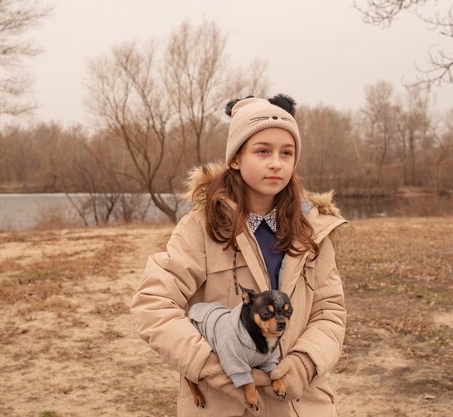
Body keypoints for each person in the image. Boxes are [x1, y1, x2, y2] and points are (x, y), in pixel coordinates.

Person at [130, 94, 347, 417]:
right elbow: (153, 304)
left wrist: (304, 363)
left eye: (286, 153)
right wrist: (211, 366)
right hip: (224, 406)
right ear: (235, 159)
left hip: (300, 405)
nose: (276, 163)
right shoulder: (201, 228)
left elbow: (330, 311)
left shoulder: (313, 230)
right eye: (262, 151)